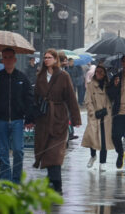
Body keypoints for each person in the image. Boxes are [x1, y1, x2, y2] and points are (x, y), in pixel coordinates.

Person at [33, 49, 82, 193]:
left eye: (49, 57)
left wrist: (76, 119)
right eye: (45, 57)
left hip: (59, 117)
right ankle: (51, 181)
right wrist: (32, 115)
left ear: (55, 59)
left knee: (55, 152)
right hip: (43, 118)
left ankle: (57, 184)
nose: (46, 59)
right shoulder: (40, 76)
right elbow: (35, 97)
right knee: (46, 151)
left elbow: (71, 98)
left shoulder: (63, 76)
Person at [0, 48, 33, 184]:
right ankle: (5, 181)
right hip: (1, 120)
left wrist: (29, 118)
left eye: (10, 57)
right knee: (3, 153)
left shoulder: (22, 77)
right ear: (2, 59)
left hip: (18, 120)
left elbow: (29, 98)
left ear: (15, 59)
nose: (7, 60)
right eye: (5, 57)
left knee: (18, 151)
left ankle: (16, 181)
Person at [82, 65, 114, 172]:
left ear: (104, 73)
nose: (98, 74)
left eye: (101, 72)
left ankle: (103, 162)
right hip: (95, 115)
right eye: (97, 72)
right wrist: (92, 112)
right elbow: (88, 100)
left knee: (104, 140)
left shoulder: (109, 85)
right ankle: (93, 155)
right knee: (92, 137)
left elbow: (113, 98)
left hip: (106, 115)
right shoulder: (91, 85)